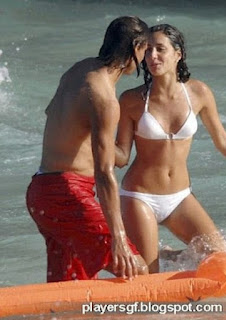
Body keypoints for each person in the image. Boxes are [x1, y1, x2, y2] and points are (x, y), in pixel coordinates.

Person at [115, 24, 226, 273]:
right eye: (147, 51)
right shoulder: (132, 100)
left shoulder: (199, 93)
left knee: (225, 263)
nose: (152, 56)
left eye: (160, 49)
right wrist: (92, 141)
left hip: (180, 197)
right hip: (140, 197)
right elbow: (121, 156)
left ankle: (168, 254)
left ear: (178, 54)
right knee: (148, 277)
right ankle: (147, 261)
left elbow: (223, 140)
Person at [26, 16, 150, 282]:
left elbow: (55, 115)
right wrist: (117, 238)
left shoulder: (79, 70)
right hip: (65, 195)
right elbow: (104, 173)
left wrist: (121, 151)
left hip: (40, 193)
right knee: (136, 271)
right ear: (136, 46)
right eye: (145, 50)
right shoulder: (104, 98)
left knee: (69, 292)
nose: (147, 58)